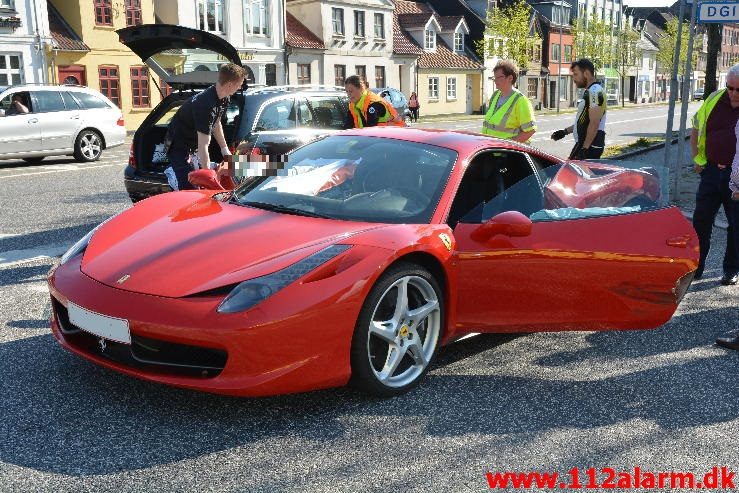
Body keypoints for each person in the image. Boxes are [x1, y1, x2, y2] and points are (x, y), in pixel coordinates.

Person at [163, 63, 246, 191]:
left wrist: (225, 150)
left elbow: (216, 123)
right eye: (239, 84)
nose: (240, 87)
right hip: (178, 146)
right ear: (230, 85)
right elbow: (204, 145)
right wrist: (208, 176)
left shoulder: (224, 98)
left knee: (199, 184)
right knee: (189, 187)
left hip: (193, 145)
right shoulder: (205, 105)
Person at [551, 59, 607, 159]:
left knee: (569, 172)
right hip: (586, 144)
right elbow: (584, 122)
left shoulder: (594, 92)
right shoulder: (591, 91)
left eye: (576, 74)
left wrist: (584, 149)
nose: (574, 78)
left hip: (589, 146)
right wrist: (564, 132)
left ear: (586, 73)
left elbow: (594, 123)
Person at [481, 60, 537, 143]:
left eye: (499, 77)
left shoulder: (521, 100)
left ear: (510, 78)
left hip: (508, 153)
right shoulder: (495, 95)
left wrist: (508, 145)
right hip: (491, 149)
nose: (495, 80)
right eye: (494, 77)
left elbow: (530, 130)